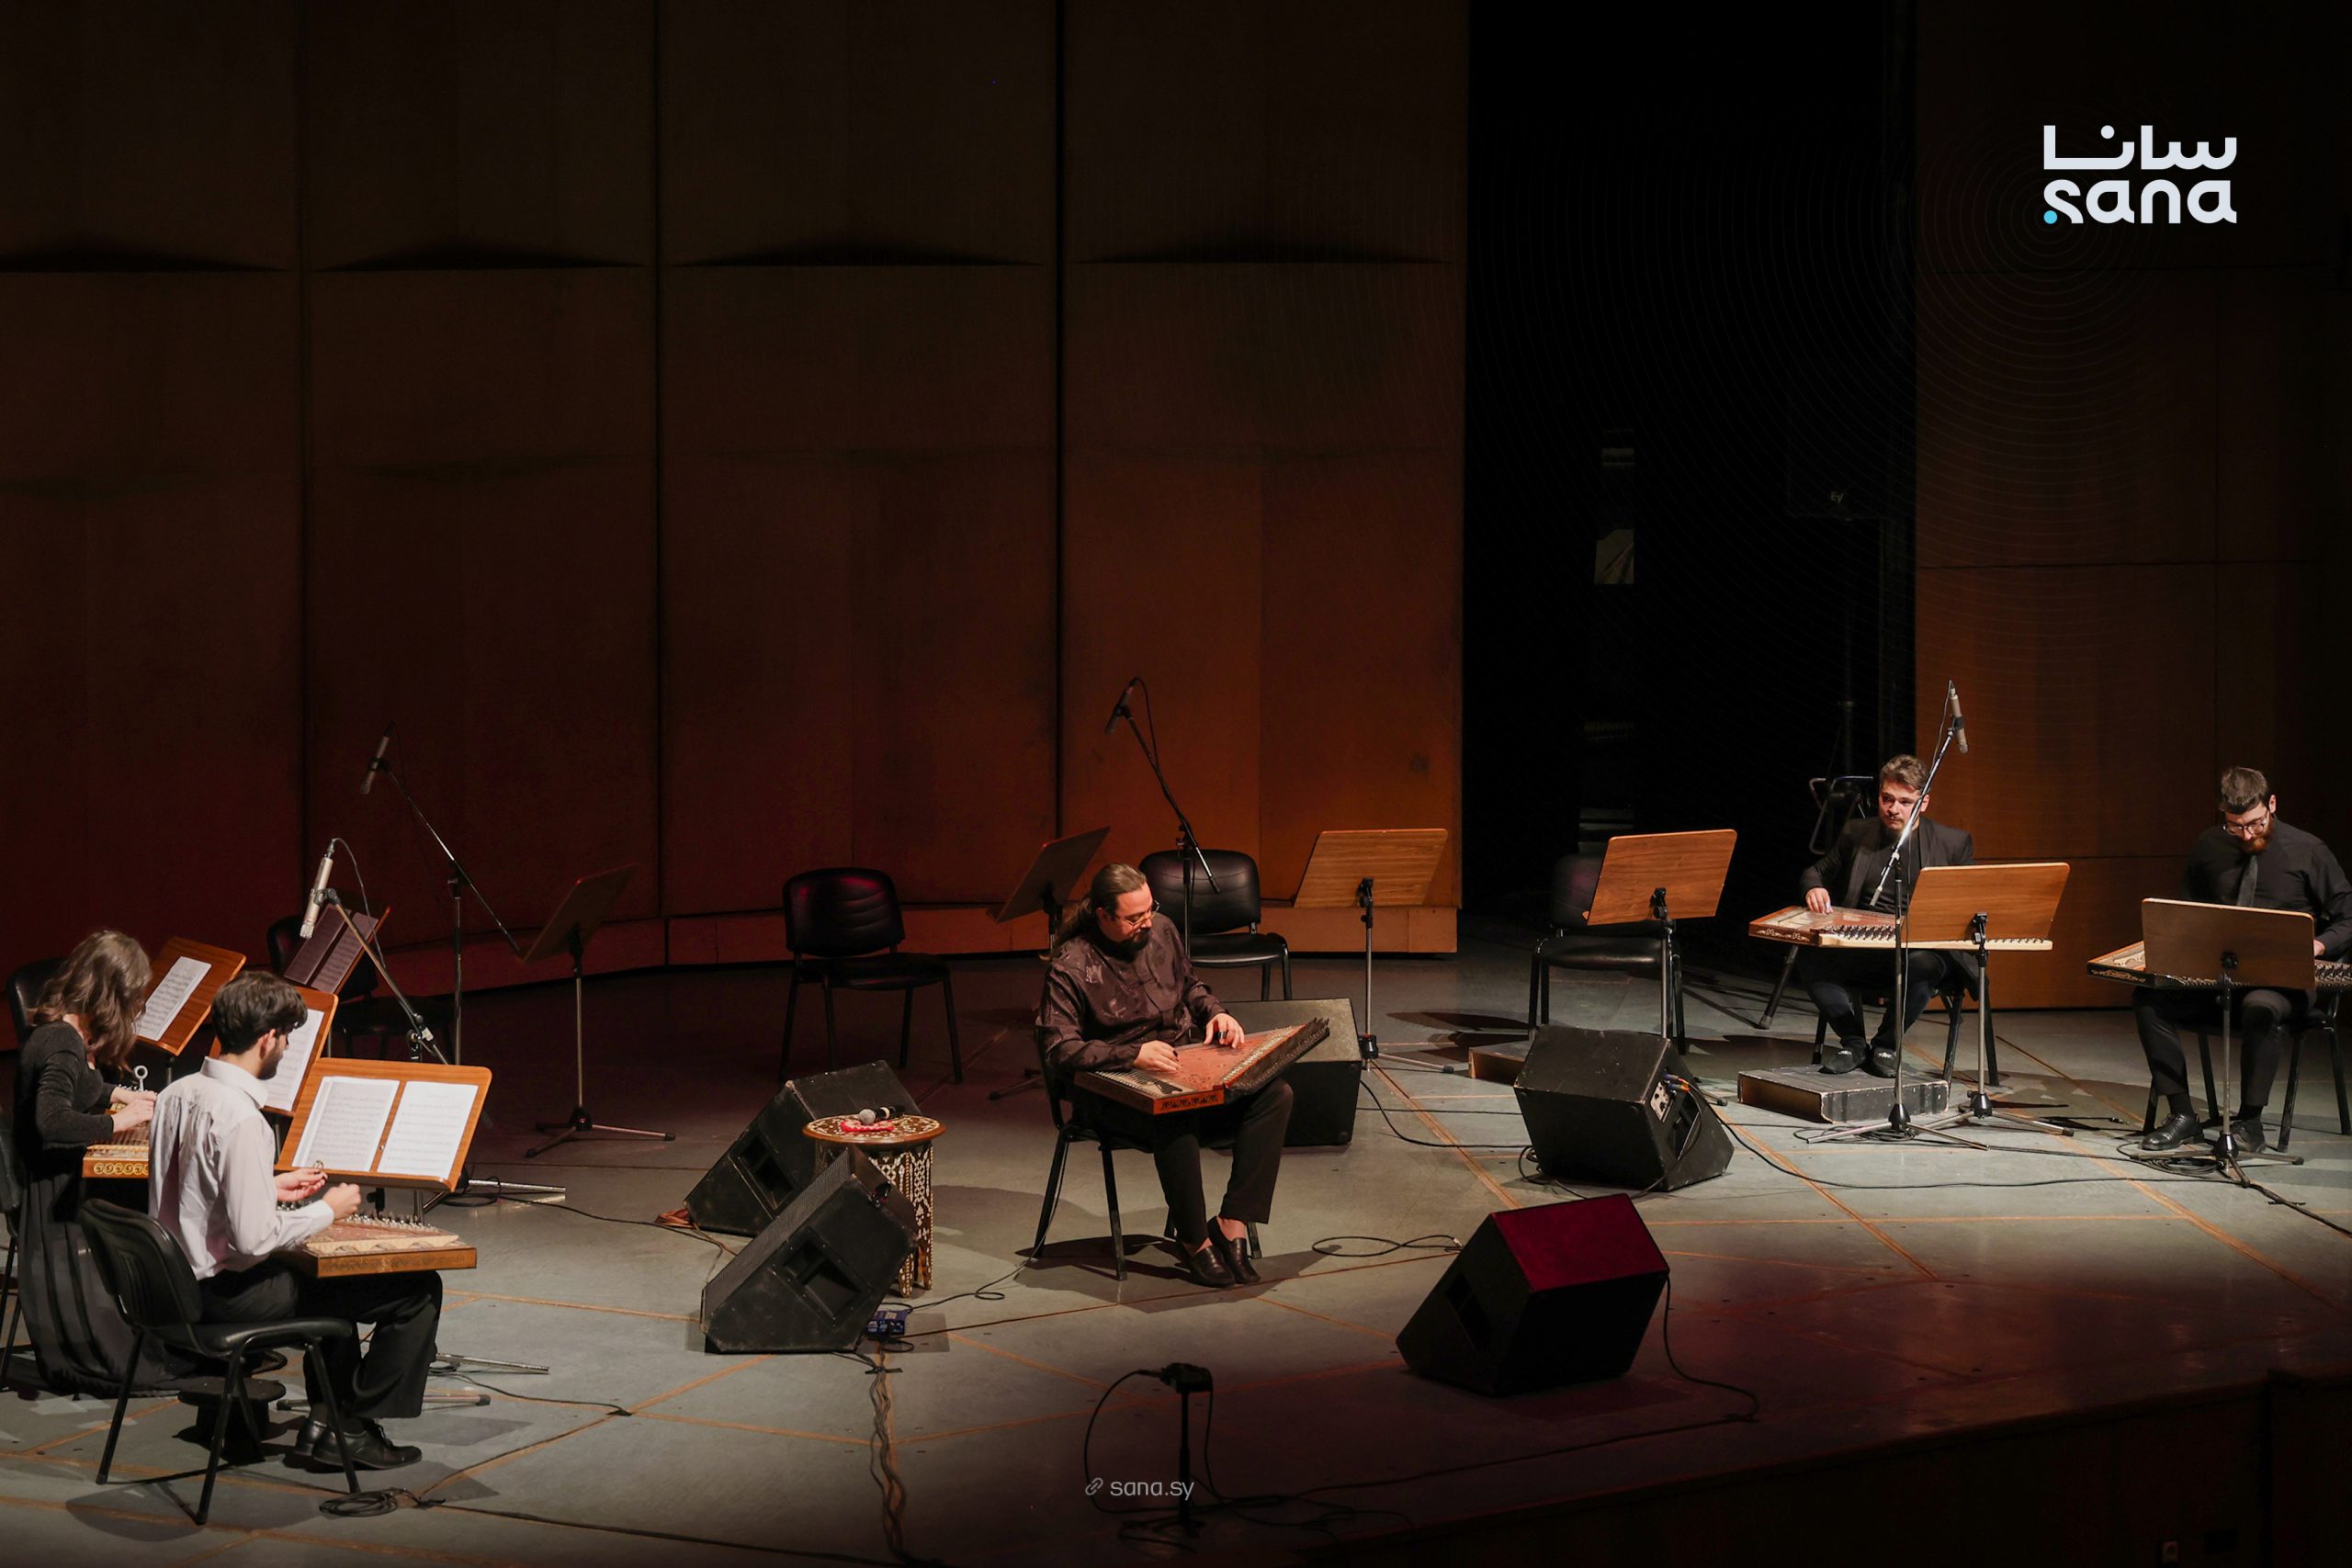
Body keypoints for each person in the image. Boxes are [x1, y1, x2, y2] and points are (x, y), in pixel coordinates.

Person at [149, 970, 441, 1469]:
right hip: (225, 1297)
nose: (286, 1049)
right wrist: (327, 1210)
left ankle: (328, 1424)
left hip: (170, 1287)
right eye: (285, 1038)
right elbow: (253, 1240)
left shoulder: (177, 1092)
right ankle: (350, 1425)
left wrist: (269, 1187)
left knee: (332, 1295)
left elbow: (194, 1190)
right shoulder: (243, 1120)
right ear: (267, 1039)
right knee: (417, 1291)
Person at [1036, 863, 1292, 1289]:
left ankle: (1231, 1222)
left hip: (1178, 1066)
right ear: (1103, 915)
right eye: (1133, 917)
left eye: (1149, 910)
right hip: (1110, 1090)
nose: (1147, 922)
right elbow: (1059, 1050)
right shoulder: (1072, 965)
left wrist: (1217, 1013)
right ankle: (1194, 1241)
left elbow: (1190, 985)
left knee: (1274, 1094)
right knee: (1174, 1111)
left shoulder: (1163, 930)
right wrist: (1133, 1055)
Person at [2137, 767, 2352, 1153]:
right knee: (2150, 999)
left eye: (2255, 823)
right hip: (2220, 977)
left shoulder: (2308, 850)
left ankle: (2250, 1123)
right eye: (2235, 827)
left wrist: (2318, 945)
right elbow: (2187, 912)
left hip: (2282, 983)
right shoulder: (2209, 845)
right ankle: (2182, 1115)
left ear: (2272, 804)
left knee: (2260, 1007)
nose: (2247, 835)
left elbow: (2348, 916)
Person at [11, 930, 187, 1393]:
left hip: (64, 1181)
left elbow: (78, 1088)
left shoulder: (66, 1031)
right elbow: (51, 1121)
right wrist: (118, 1121)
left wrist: (117, 1094)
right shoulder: (61, 1043)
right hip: (56, 1193)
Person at [1797, 754, 1975, 1077]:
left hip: (1920, 951)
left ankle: (1886, 1045)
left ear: (1923, 803)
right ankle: (1853, 1042)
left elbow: (1966, 906)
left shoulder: (1953, 843)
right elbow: (1816, 871)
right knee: (1810, 958)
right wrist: (1814, 888)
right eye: (1887, 799)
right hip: (1864, 945)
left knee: (1923, 963)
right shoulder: (1857, 832)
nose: (1893, 809)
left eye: (1905, 802)